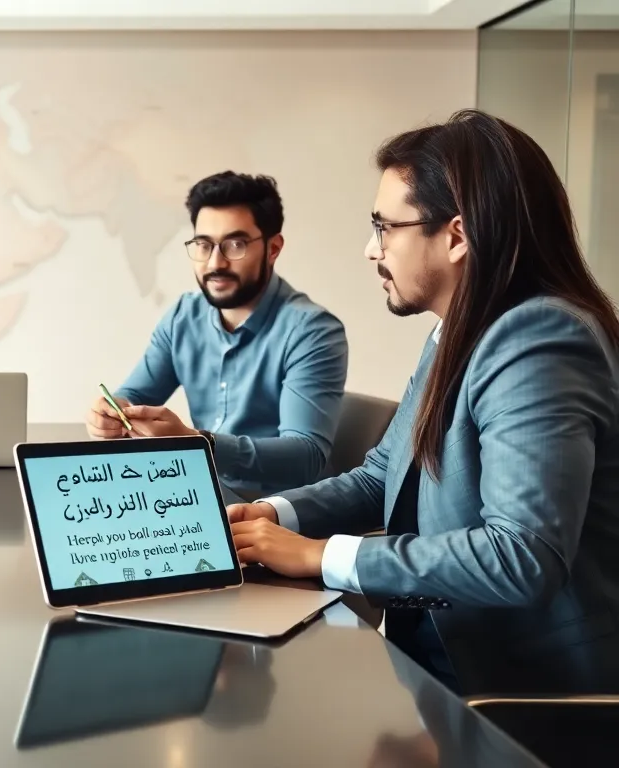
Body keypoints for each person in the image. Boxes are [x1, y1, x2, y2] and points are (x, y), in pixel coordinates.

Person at [228, 109, 619, 696]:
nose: (370, 248)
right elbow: (383, 474)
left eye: (385, 227)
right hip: (438, 664)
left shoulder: (539, 339)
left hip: (526, 695)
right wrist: (274, 516)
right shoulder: (457, 332)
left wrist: (321, 556)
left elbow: (521, 556)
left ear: (457, 236)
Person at [87, 171, 348, 497]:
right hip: (201, 492)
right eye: (203, 244)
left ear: (273, 248)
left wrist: (200, 443)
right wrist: (110, 414)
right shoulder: (184, 316)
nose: (215, 262)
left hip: (276, 513)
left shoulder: (313, 331)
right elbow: (134, 396)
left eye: (235, 244)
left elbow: (306, 456)